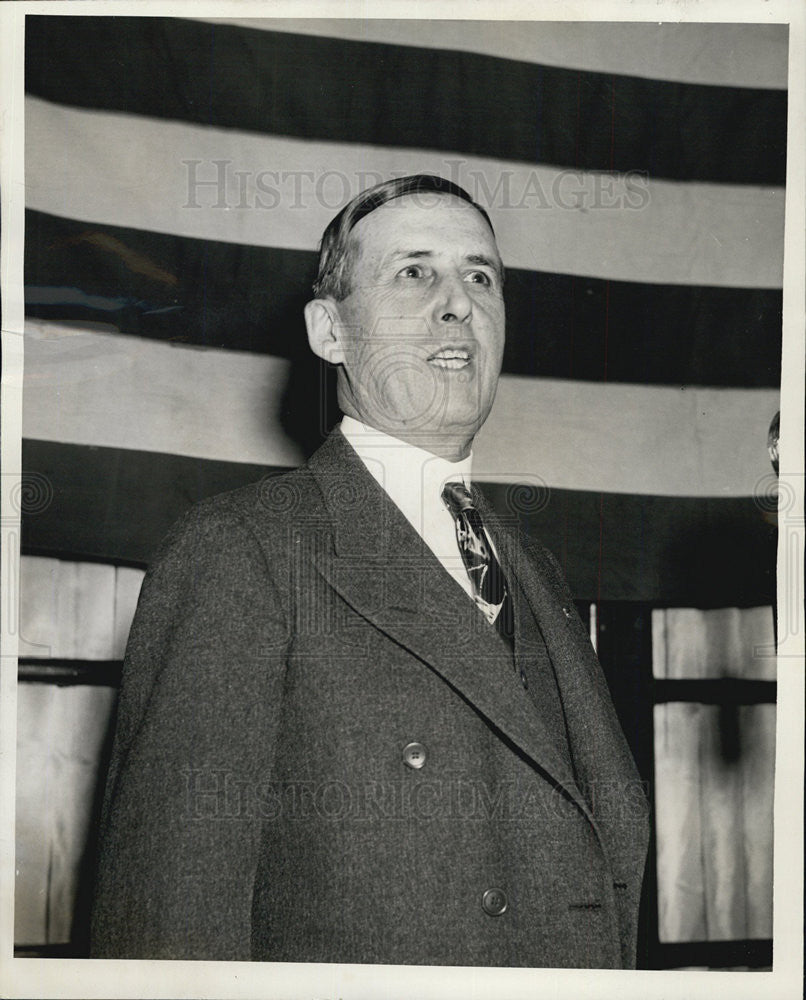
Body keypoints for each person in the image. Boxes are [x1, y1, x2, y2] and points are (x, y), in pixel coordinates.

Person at [90, 174, 649, 967]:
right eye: (414, 271)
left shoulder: (539, 576)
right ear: (330, 332)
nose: (459, 303)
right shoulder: (243, 550)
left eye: (480, 275)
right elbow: (166, 932)